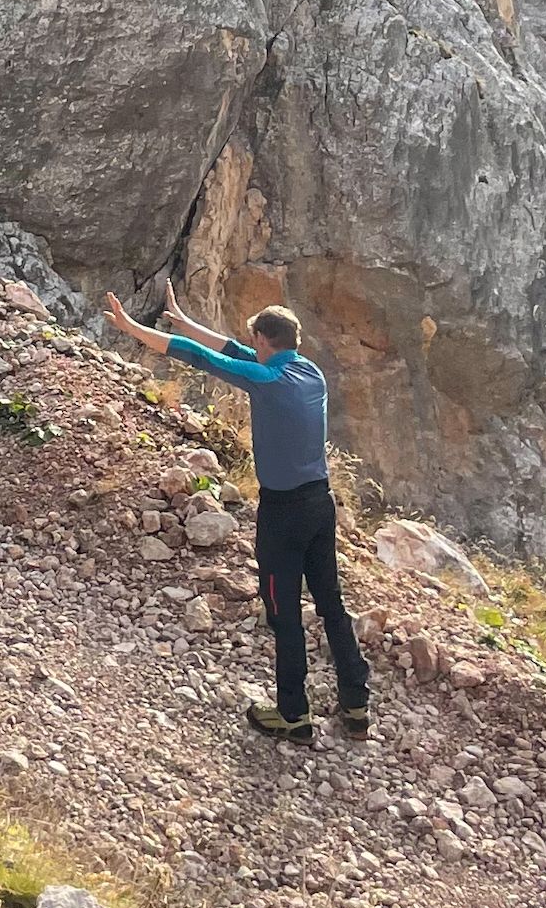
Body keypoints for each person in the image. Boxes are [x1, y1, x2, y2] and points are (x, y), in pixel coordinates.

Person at [103, 283, 370, 743]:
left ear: (265, 342)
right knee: (330, 602)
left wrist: (131, 327)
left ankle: (293, 715)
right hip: (321, 506)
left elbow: (202, 358)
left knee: (283, 610)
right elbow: (231, 350)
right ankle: (356, 702)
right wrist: (185, 321)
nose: (253, 350)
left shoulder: (266, 378)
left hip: (282, 513)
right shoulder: (311, 374)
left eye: (256, 343)